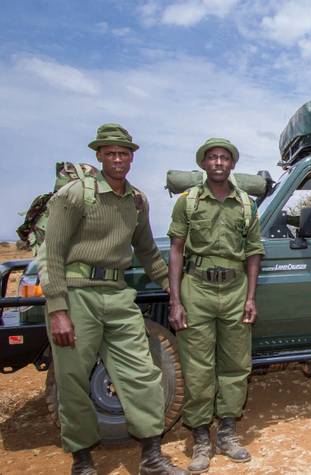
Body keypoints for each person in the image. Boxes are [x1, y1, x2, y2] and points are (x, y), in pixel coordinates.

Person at [41, 123, 186, 474]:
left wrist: (174, 291)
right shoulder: (76, 194)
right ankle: (82, 461)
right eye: (110, 153)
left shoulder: (137, 201)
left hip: (117, 295)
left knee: (144, 374)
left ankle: (152, 457)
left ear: (132, 157)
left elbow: (148, 252)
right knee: (73, 379)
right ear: (99, 156)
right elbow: (52, 253)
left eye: (123, 153)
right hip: (76, 294)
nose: (118, 159)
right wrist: (58, 309)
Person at [167, 138, 264, 472]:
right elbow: (177, 249)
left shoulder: (247, 205)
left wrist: (251, 297)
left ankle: (227, 432)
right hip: (197, 289)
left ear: (232, 165)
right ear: (204, 164)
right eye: (213, 157)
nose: (219, 162)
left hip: (236, 289)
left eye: (224, 157)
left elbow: (254, 252)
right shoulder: (188, 202)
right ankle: (200, 439)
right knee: (197, 368)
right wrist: (175, 299)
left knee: (236, 365)